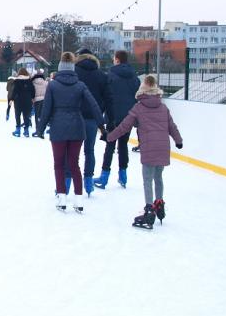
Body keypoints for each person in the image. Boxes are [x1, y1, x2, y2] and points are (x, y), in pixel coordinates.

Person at [108, 75, 183, 229]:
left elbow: (124, 127)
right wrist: (178, 140)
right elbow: (172, 126)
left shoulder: (139, 107)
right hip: (163, 148)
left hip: (148, 148)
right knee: (158, 177)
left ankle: (149, 209)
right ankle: (159, 203)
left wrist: (110, 137)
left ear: (142, 90)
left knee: (147, 179)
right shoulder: (163, 108)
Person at [36, 52, 105, 214]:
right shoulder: (80, 85)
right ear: (73, 67)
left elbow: (46, 109)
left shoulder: (52, 85)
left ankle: (62, 198)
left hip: (58, 128)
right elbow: (94, 106)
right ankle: (79, 200)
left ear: (60, 67)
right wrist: (102, 126)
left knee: (59, 164)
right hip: (77, 127)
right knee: (74, 163)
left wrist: (40, 128)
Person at [96, 50, 140, 189]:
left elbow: (106, 97)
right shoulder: (135, 78)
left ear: (117, 60)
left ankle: (104, 177)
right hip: (128, 116)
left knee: (110, 145)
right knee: (123, 145)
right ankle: (123, 175)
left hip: (113, 116)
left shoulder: (110, 76)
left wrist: (101, 113)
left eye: (114, 58)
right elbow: (137, 97)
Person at [74, 48, 113, 195]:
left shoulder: (74, 72)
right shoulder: (101, 75)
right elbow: (109, 98)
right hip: (93, 118)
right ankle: (88, 183)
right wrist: (109, 119)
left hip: (75, 117)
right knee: (89, 151)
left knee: (72, 152)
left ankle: (66, 183)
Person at [9, 68, 35, 137]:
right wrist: (32, 98)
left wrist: (11, 99)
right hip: (27, 101)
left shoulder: (17, 81)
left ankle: (18, 130)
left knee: (18, 115)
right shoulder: (29, 81)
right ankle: (26, 131)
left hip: (18, 101)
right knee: (26, 116)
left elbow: (14, 91)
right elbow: (33, 90)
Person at [31, 69, 48, 136]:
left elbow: (32, 92)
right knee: (42, 116)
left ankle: (38, 131)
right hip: (44, 100)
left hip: (36, 101)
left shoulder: (33, 83)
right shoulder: (46, 82)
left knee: (37, 116)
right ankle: (42, 131)